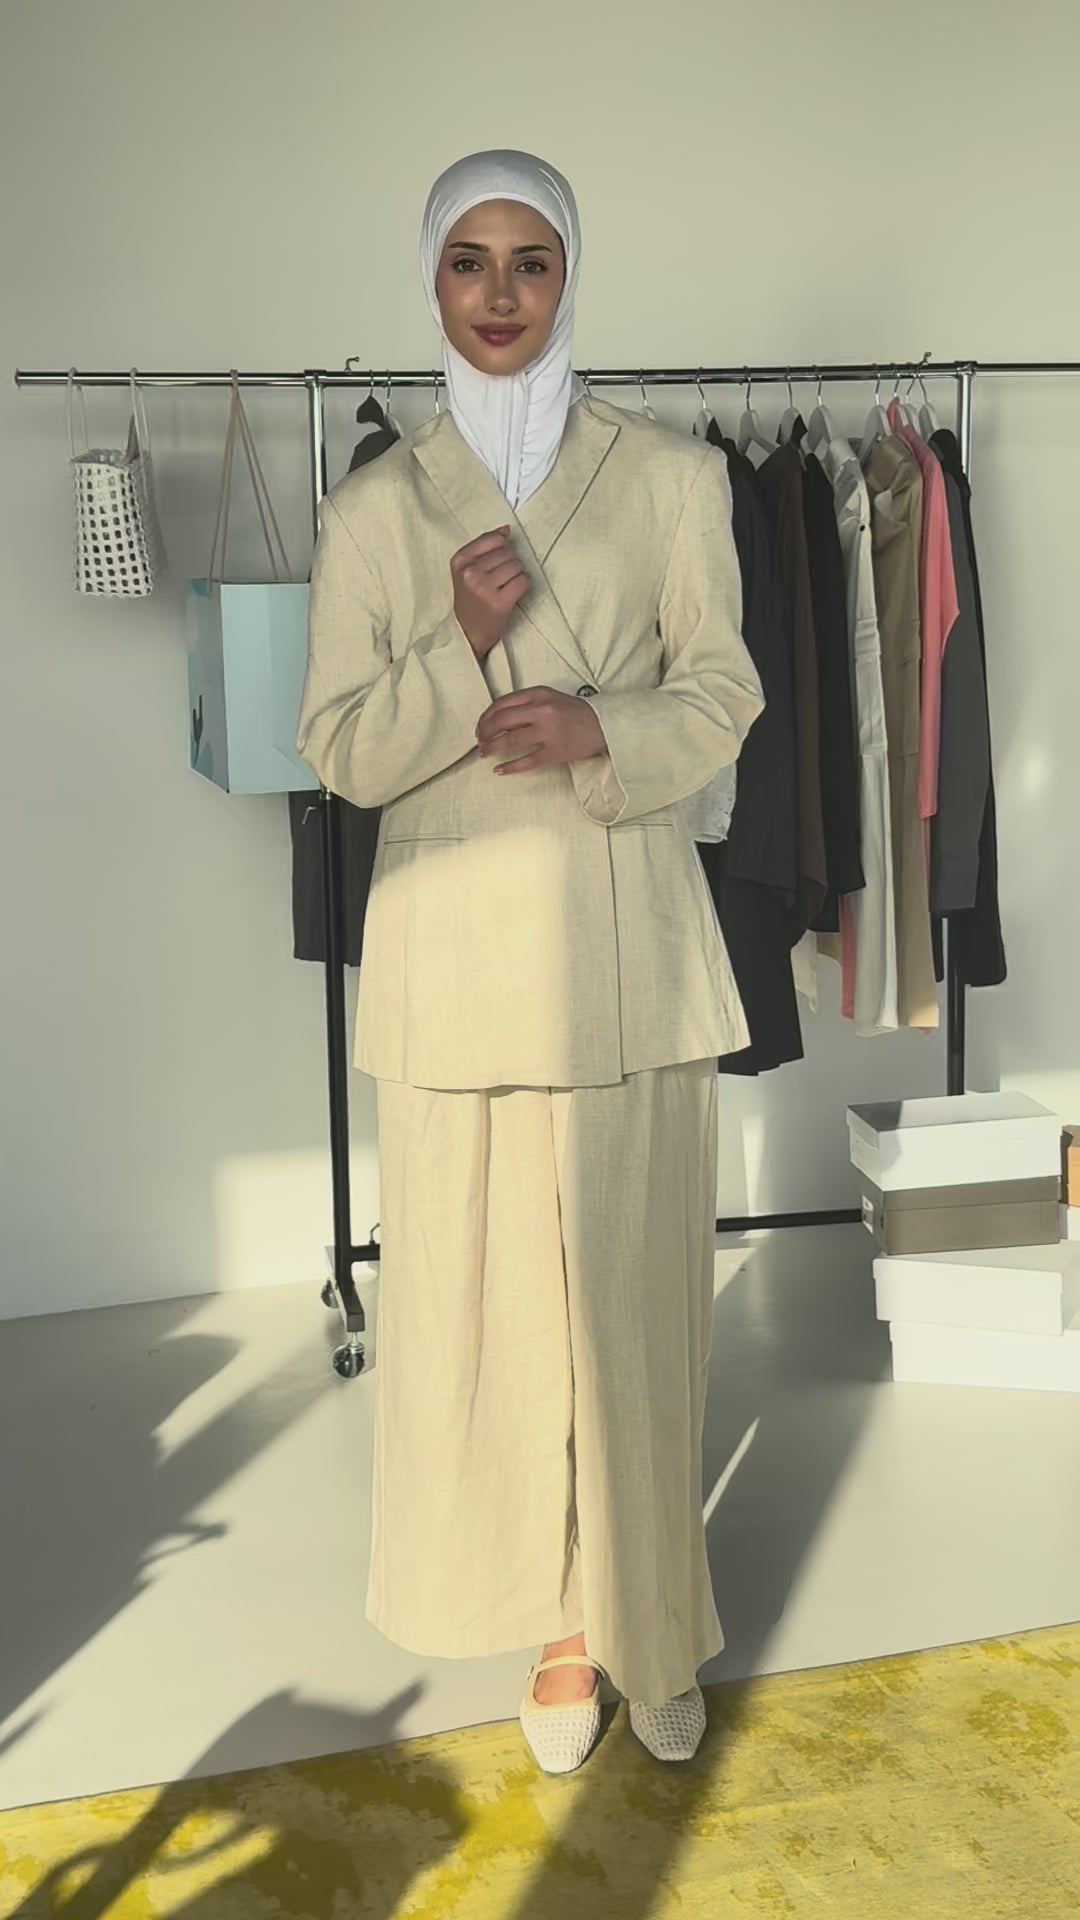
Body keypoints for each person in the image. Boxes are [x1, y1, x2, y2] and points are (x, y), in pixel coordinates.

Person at [296, 149, 764, 1774]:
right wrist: (461, 650)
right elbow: (342, 747)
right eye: (469, 262)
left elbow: (725, 693)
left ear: (571, 277)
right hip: (454, 967)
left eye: (532, 261)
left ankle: (653, 1627)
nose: (500, 294)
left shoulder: (675, 479)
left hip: (628, 946)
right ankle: (561, 1629)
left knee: (638, 1314)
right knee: (491, 1322)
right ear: (431, 277)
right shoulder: (374, 509)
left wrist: (598, 728)